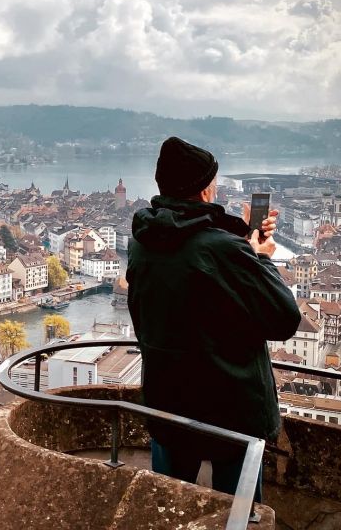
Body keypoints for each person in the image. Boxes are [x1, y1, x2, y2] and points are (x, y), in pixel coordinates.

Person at [126, 136, 300, 502]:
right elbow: (284, 319)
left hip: (167, 402)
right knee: (237, 511)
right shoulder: (223, 249)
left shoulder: (142, 240)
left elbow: (191, 265)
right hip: (230, 410)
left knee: (170, 506)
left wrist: (243, 242)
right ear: (206, 191)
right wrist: (261, 258)